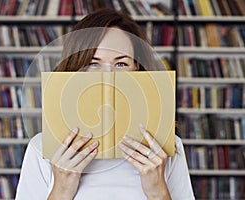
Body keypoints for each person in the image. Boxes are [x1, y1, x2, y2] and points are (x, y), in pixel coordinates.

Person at [16, 8, 195, 200]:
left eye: (121, 64)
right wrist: (61, 189)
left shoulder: (167, 149)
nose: (108, 77)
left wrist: (158, 191)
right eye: (93, 63)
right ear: (75, 69)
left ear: (139, 70)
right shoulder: (41, 148)